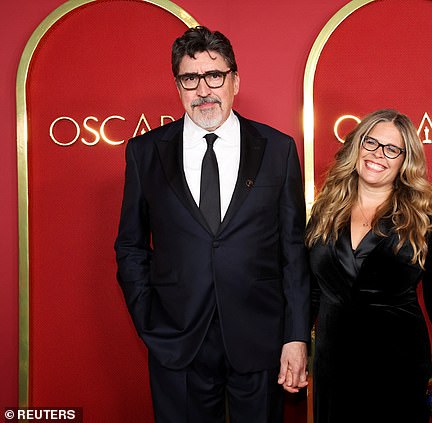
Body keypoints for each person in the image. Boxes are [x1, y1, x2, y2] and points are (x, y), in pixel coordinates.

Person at [114, 26, 310, 423]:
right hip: (177, 338)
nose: (203, 90)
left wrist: (295, 336)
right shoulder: (145, 152)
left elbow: (293, 250)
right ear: (178, 86)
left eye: (214, 75)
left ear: (235, 81)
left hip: (259, 337)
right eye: (191, 78)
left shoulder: (277, 149)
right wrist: (149, 319)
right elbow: (131, 246)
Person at [306, 109, 432, 422]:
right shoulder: (325, 211)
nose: (377, 154)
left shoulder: (426, 218)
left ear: (404, 160)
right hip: (334, 365)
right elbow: (313, 290)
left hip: (399, 365)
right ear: (357, 146)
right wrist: (297, 345)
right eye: (371, 142)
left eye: (391, 149)